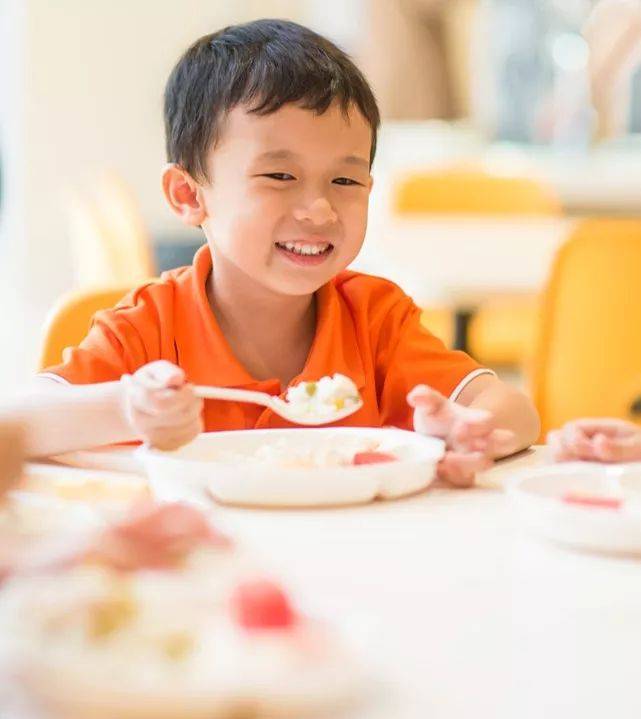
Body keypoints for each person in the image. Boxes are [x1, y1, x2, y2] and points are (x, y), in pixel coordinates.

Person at [30, 19, 539, 485]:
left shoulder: (374, 320)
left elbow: (514, 409)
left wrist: (470, 427)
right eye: (279, 176)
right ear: (189, 195)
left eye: (345, 180)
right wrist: (128, 409)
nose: (319, 210)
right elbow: (19, 422)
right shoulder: (149, 328)